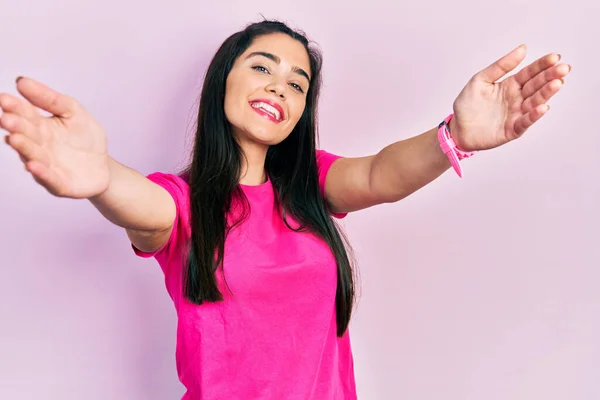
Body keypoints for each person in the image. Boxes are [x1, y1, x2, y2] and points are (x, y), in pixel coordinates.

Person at [0, 19, 570, 400]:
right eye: (263, 67)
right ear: (222, 79)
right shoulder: (182, 202)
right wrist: (102, 178)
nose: (279, 88)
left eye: (298, 84)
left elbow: (380, 174)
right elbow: (144, 208)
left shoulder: (311, 185)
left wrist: (456, 136)